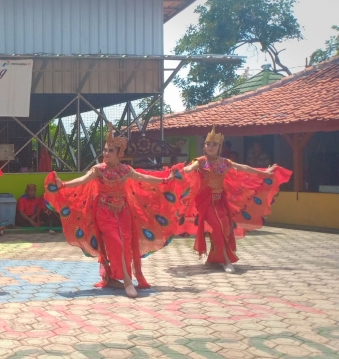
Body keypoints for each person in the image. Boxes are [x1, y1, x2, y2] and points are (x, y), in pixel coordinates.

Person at [44, 123, 184, 298]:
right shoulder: (98, 170)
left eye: (110, 150)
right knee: (116, 244)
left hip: (123, 212)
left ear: (119, 153)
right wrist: (63, 185)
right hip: (103, 212)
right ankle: (127, 281)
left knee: (125, 246)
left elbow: (144, 177)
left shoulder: (125, 170)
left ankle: (112, 277)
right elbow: (83, 180)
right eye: (105, 150)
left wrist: (164, 181)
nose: (106, 153)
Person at [181, 125, 290, 273]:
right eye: (208, 144)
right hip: (206, 202)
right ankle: (227, 261)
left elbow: (243, 168)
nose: (210, 146)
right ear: (204, 147)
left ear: (219, 147)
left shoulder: (225, 162)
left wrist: (263, 173)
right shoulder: (200, 162)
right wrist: (176, 172)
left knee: (225, 229)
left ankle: (213, 258)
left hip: (220, 201)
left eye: (214, 144)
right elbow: (187, 170)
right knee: (218, 227)